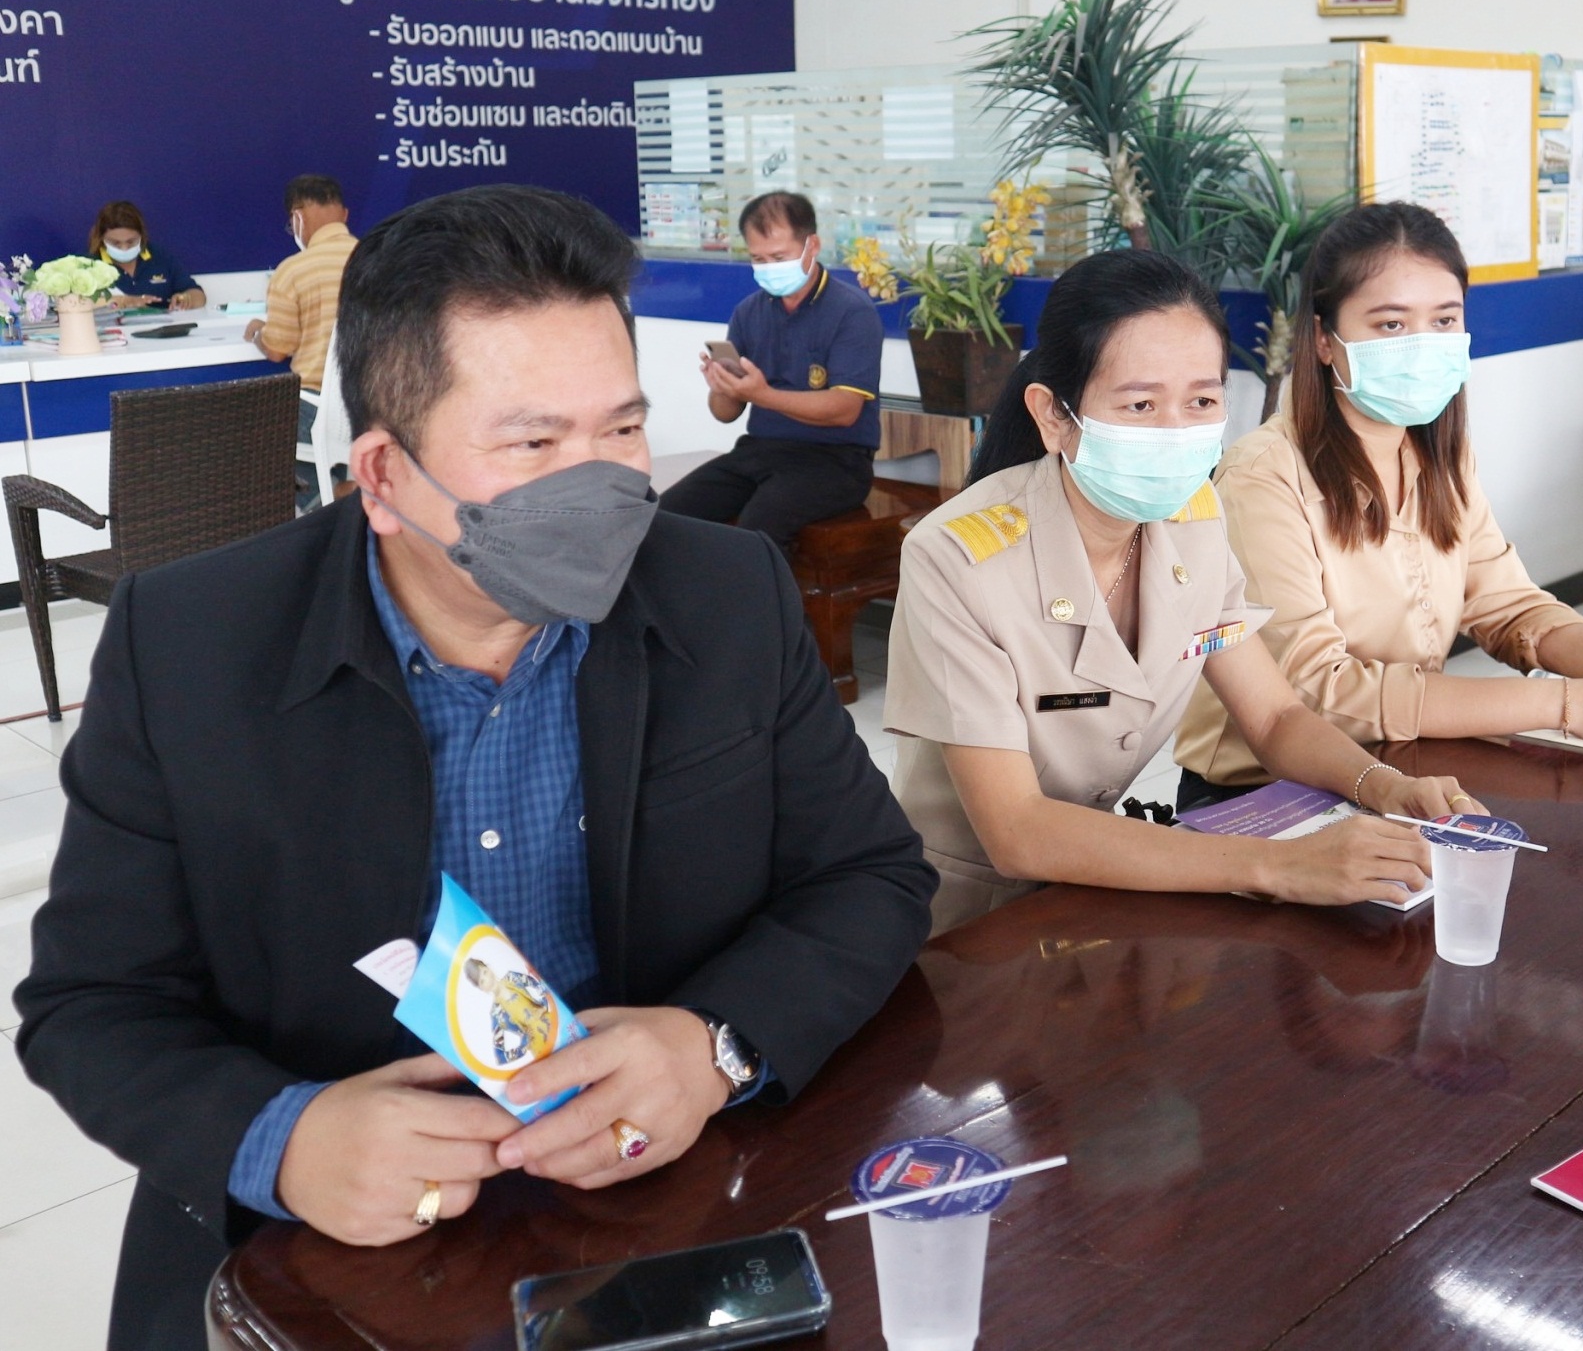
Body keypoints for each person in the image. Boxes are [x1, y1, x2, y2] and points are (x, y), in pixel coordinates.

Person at [12, 183, 935, 1349]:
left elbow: (870, 875)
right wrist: (281, 1139)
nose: (602, 486)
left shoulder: (726, 593)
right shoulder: (192, 645)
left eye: (622, 429)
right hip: (338, 1242)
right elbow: (92, 1003)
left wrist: (713, 1044)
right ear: (383, 476)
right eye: (534, 442)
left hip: (669, 1197)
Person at [883, 247, 1487, 935]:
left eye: (1201, 400)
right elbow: (1017, 829)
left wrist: (1383, 786)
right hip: (963, 919)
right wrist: (1277, 866)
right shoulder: (955, 558)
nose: (1177, 432)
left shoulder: (1191, 522)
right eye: (1140, 404)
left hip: (1105, 886)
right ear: (1053, 415)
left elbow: (1272, 718)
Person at [1175, 203, 1583, 806]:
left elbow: (1509, 607)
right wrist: (1566, 704)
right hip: (1265, 792)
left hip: (1403, 761)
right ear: (1323, 339)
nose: (1423, 345)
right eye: (1391, 325)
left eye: (1444, 320)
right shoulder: (1262, 476)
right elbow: (1321, 691)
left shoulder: (1438, 454)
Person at [658, 190, 885, 548]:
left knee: (758, 530)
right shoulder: (749, 312)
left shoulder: (852, 311)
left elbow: (845, 409)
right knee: (664, 516)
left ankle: (765, 589)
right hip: (759, 450)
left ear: (812, 245)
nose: (768, 269)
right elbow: (724, 414)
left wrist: (763, 395)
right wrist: (723, 387)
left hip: (837, 462)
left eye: (779, 257)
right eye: (758, 259)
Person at [244, 174, 359, 508]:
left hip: (317, 405)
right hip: (375, 402)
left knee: (260, 433)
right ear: (344, 215)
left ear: (297, 217)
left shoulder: (294, 270)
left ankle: (328, 503)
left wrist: (258, 332)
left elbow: (277, 350)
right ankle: (351, 495)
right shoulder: (379, 258)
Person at [89, 200, 205, 310]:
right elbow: (80, 304)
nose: (124, 248)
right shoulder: (88, 265)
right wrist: (124, 301)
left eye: (131, 242)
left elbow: (198, 295)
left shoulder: (160, 257)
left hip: (162, 322)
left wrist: (186, 298)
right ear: (101, 238)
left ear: (142, 236)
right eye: (116, 243)